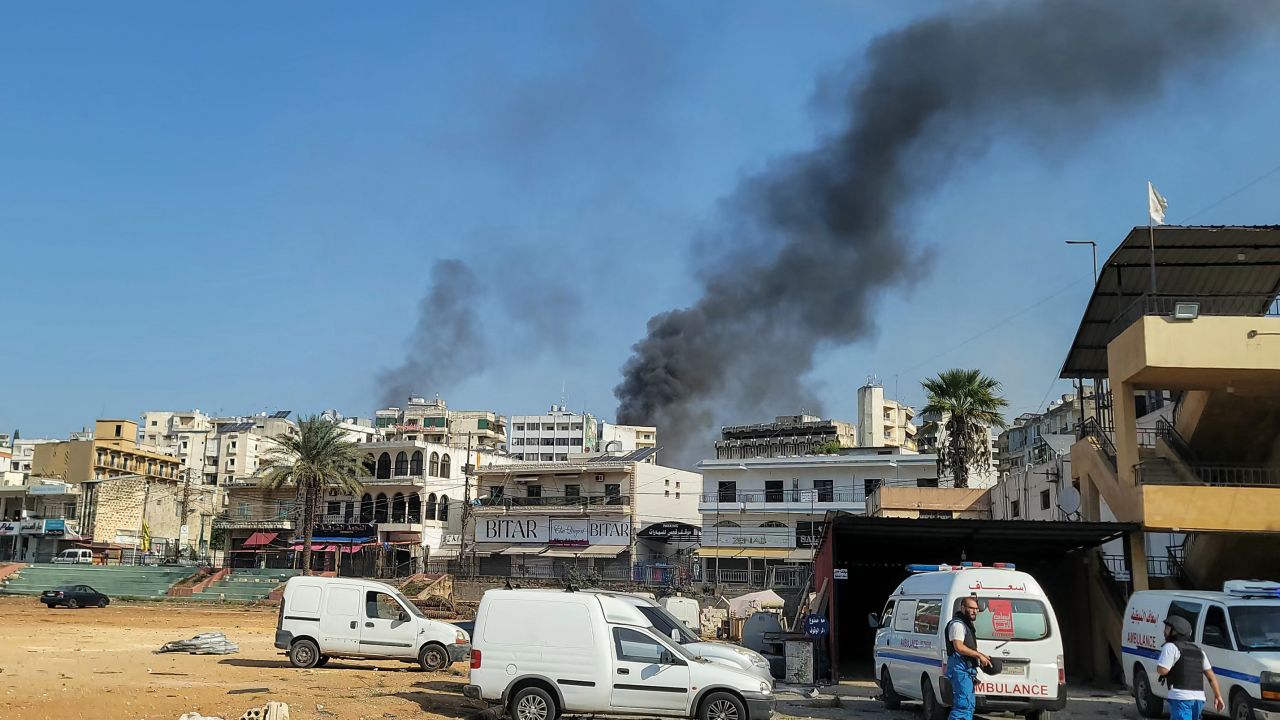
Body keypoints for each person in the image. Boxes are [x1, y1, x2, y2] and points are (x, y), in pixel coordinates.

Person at [1157, 616, 1224, 720]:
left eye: (1167, 628)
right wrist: (1218, 696)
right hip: (1199, 698)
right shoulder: (1199, 651)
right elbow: (1211, 677)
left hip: (1180, 698)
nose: (1164, 631)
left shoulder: (1170, 647)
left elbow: (1162, 670)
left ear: (1175, 632)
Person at [945, 595, 993, 720]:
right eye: (971, 608)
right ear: (962, 608)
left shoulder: (967, 625)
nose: (974, 611)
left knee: (969, 707)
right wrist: (978, 655)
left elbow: (967, 647)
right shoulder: (957, 625)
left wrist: (981, 656)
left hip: (967, 670)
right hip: (960, 669)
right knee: (962, 707)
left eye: (976, 609)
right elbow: (959, 647)